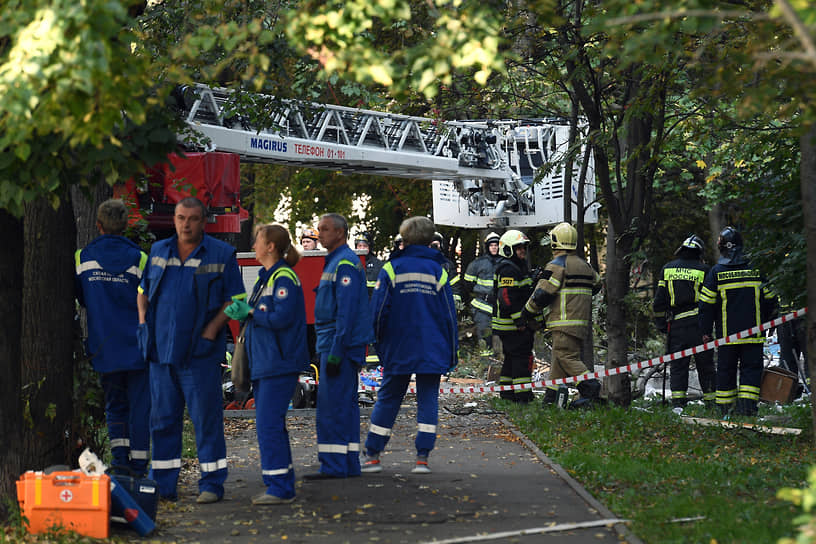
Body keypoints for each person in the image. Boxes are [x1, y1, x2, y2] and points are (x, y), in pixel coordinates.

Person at [137, 197, 246, 503]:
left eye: (193, 219)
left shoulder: (221, 254)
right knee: (162, 421)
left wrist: (212, 330)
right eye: (181, 218)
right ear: (173, 219)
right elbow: (142, 292)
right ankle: (163, 486)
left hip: (199, 355)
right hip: (161, 353)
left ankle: (211, 484)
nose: (186, 224)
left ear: (204, 221)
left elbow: (238, 303)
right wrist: (144, 324)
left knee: (206, 420)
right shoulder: (159, 251)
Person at [361, 216, 458, 474]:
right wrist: (452, 351)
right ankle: (422, 459)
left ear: (404, 239)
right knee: (428, 400)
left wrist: (378, 343)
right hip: (432, 346)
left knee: (389, 398)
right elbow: (449, 315)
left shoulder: (392, 269)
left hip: (399, 345)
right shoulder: (439, 271)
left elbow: (379, 311)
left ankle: (372, 455)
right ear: (429, 240)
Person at [225, 224, 309, 505]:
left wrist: (250, 311)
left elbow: (280, 319)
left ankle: (280, 488)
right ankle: (280, 482)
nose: (254, 245)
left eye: (257, 240)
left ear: (270, 246)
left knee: (268, 425)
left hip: (277, 362)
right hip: (269, 362)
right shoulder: (269, 277)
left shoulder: (282, 277)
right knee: (271, 424)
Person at [75, 199, 150, 475]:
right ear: (127, 225)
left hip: (103, 345)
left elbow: (82, 298)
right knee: (140, 407)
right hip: (138, 346)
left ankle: (120, 461)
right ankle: (140, 464)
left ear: (98, 225)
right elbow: (149, 298)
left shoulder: (83, 258)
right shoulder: (141, 258)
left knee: (115, 405)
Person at [306, 213, 374, 479]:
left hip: (339, 346)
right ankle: (347, 463)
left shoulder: (343, 263)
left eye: (324, 229)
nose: (319, 233)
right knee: (343, 405)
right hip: (339, 343)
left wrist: (336, 349)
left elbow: (345, 312)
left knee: (331, 407)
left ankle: (334, 466)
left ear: (340, 233)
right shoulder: (339, 261)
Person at [700, 226, 778, 417]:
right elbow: (771, 299)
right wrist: (770, 322)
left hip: (727, 337)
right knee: (751, 372)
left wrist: (705, 331)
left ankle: (725, 410)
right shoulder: (756, 270)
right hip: (754, 334)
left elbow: (705, 305)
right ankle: (747, 410)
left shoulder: (716, 272)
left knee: (725, 372)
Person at [521, 223, 601, 408]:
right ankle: (550, 400)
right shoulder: (585, 266)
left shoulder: (557, 265)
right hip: (580, 323)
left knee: (567, 357)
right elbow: (597, 285)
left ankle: (592, 389)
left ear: (555, 241)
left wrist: (526, 313)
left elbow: (542, 295)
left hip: (563, 323)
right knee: (558, 361)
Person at [653, 234, 716, 408]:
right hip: (699, 325)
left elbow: (659, 302)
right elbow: (711, 301)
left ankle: (678, 405)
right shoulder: (705, 270)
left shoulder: (667, 269)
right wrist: (709, 328)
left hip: (677, 326)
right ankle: (712, 404)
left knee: (678, 366)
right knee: (706, 365)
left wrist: (662, 326)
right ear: (699, 253)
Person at [492, 230, 536, 403]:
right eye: (518, 248)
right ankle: (523, 397)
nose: (522, 251)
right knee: (521, 359)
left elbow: (521, 292)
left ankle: (507, 394)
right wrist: (520, 320)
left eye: (524, 247)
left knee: (511, 358)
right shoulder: (508, 269)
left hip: (509, 325)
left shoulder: (516, 267)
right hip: (511, 325)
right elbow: (506, 297)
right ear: (508, 250)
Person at [463, 232, 501, 356]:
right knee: (485, 337)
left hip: (501, 306)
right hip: (482, 306)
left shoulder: (505, 262)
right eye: (492, 245)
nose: (494, 247)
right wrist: (482, 293)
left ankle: (499, 365)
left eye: (496, 245)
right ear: (487, 247)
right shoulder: (477, 264)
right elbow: (468, 284)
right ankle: (485, 365)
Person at [355, 233, 384, 366]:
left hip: (373, 306)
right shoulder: (351, 262)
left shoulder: (378, 264)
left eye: (364, 246)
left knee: (373, 335)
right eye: (359, 245)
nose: (361, 248)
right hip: (357, 308)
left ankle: (374, 365)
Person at [430, 231, 462, 309]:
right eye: (432, 244)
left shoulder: (447, 265)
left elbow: (454, 286)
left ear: (441, 245)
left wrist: (455, 303)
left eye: (436, 244)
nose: (434, 247)